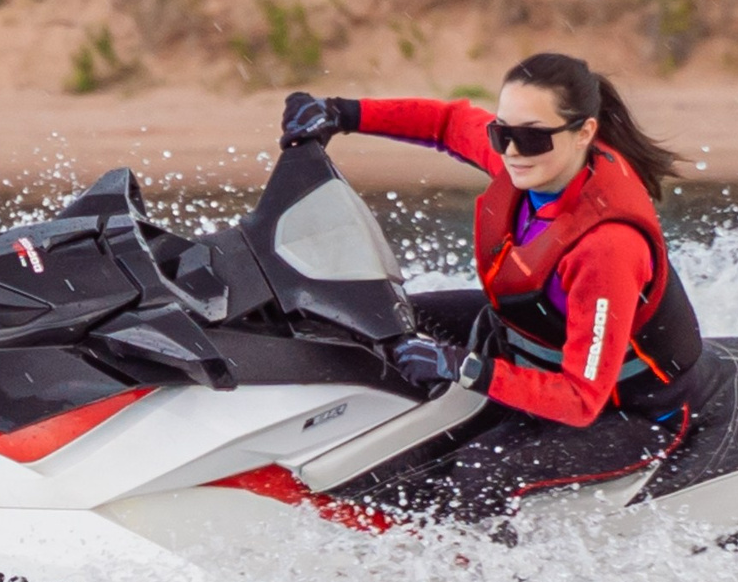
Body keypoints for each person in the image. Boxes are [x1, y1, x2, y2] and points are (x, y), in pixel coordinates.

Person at [278, 53, 705, 434]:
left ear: (584, 132)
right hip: (532, 344)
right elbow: (444, 124)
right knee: (386, 325)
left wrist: (467, 369)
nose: (514, 151)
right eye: (503, 133)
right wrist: (338, 113)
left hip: (630, 411)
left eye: (533, 136)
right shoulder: (527, 159)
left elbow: (580, 400)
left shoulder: (607, 248)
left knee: (471, 480)